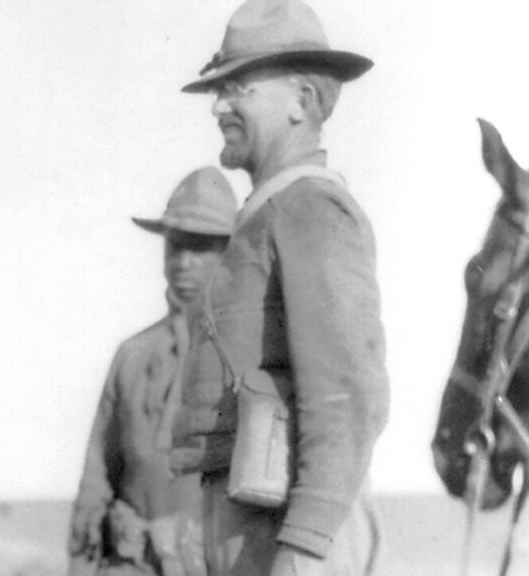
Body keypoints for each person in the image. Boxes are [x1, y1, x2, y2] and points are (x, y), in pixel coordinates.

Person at [168, 1, 388, 575]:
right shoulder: (267, 212)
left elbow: (346, 394)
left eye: (238, 88)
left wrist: (306, 543)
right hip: (251, 523)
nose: (219, 106)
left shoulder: (313, 208)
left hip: (292, 537)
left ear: (303, 102)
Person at [69, 167, 237, 576]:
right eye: (174, 246)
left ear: (229, 253)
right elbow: (97, 477)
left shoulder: (244, 355)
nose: (182, 262)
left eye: (199, 248)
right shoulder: (134, 355)